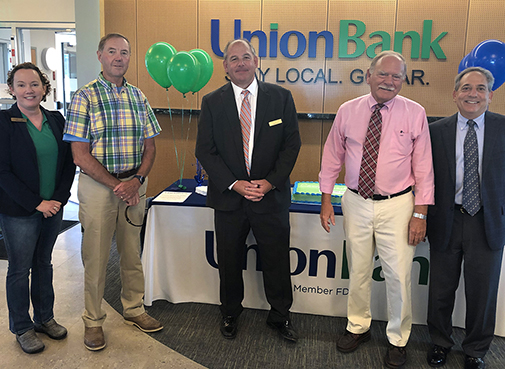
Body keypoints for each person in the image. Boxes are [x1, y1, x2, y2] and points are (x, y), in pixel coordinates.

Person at [319, 50, 434, 368]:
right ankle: (358, 326)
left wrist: (420, 213)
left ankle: (398, 339)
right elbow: (332, 157)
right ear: (368, 75)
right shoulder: (348, 111)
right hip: (355, 201)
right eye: (383, 74)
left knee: (398, 275)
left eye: (397, 76)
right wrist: (326, 199)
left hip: (398, 205)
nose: (390, 81)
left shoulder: (415, 113)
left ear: (403, 81)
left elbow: (424, 168)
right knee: (357, 271)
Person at [195, 39, 301, 342]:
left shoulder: (281, 97)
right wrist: (235, 184)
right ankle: (230, 313)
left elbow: (291, 145)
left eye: (246, 57)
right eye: (233, 59)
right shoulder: (212, 102)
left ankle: (280, 316)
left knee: (277, 261)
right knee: (228, 261)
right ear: (225, 66)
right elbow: (206, 150)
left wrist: (269, 183)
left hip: (271, 197)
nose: (240, 63)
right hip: (230, 198)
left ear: (256, 61)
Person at [64, 33, 162, 351]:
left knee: (132, 254)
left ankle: (134, 309)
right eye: (112, 51)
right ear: (100, 56)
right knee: (96, 257)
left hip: (135, 185)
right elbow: (79, 155)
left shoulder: (139, 97)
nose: (119, 57)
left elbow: (150, 147)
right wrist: (118, 186)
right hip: (98, 189)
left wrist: (137, 180)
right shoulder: (84, 97)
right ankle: (93, 321)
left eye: (124, 52)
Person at [426, 67, 505, 369]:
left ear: (490, 94)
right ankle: (440, 342)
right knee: (441, 289)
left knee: (482, 292)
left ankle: (476, 349)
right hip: (447, 219)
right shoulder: (436, 131)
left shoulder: (503, 128)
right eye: (467, 88)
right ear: (455, 93)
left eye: (481, 88)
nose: (474, 94)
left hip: (488, 222)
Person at [0, 63, 75, 354]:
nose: (28, 90)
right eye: (21, 85)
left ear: (44, 87)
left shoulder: (56, 119)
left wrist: (57, 199)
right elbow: (2, 172)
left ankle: (45, 318)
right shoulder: (4, 122)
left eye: (34, 84)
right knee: (20, 270)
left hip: (53, 208)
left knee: (44, 263)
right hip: (20, 210)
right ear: (11, 89)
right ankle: (22, 327)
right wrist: (36, 202)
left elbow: (69, 163)